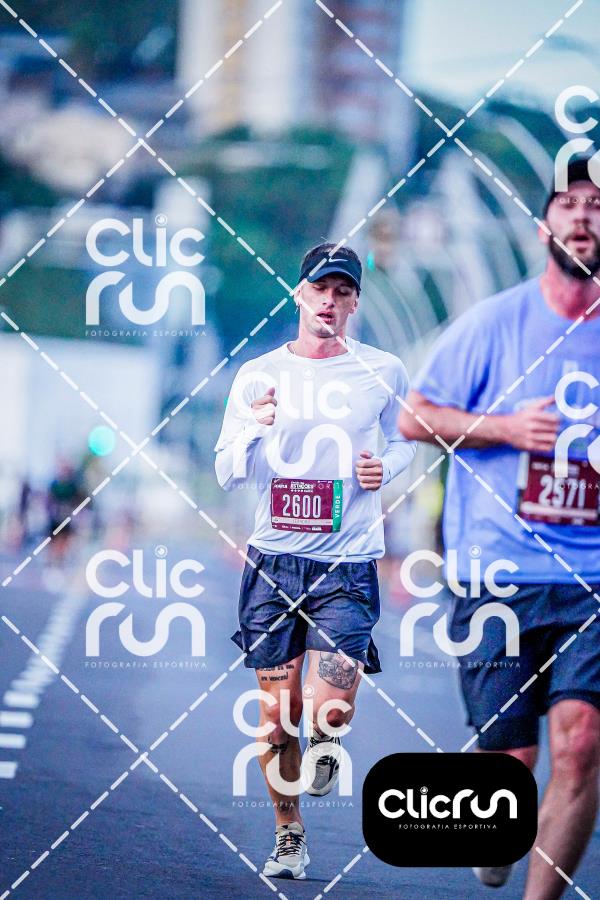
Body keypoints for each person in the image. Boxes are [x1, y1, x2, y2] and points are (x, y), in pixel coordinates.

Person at [399, 159, 600, 899]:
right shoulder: (495, 322)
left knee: (580, 742)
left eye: (597, 206)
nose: (583, 218)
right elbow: (413, 416)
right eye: (568, 205)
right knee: (510, 760)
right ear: (543, 227)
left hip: (592, 578)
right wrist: (507, 428)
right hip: (498, 572)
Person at [215, 242, 416, 879]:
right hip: (273, 562)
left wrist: (385, 468)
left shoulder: (382, 370)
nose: (330, 301)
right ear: (299, 293)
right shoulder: (258, 375)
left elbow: (407, 441)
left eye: (343, 291)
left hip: (346, 562)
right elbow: (227, 472)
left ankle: (328, 739)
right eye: (320, 289)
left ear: (355, 302)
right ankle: (289, 836)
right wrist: (256, 426)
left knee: (331, 703)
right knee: (278, 720)